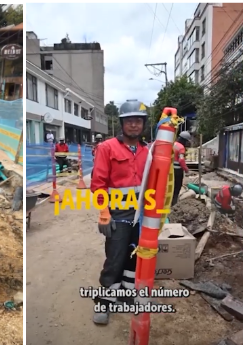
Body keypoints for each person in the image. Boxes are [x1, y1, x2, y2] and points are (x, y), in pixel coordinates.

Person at [90, 99, 149, 325]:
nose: (134, 125)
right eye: (129, 121)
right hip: (118, 212)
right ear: (121, 123)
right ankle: (104, 302)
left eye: (138, 121)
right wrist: (104, 212)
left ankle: (126, 295)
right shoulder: (107, 148)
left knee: (135, 256)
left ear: (143, 124)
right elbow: (98, 184)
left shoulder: (147, 150)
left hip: (141, 213)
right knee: (115, 258)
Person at [171, 131, 191, 206]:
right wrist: (186, 169)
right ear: (185, 140)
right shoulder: (181, 148)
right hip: (178, 171)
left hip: (171, 170)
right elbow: (181, 160)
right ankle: (174, 204)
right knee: (177, 187)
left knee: (171, 187)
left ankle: (169, 202)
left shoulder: (174, 144)